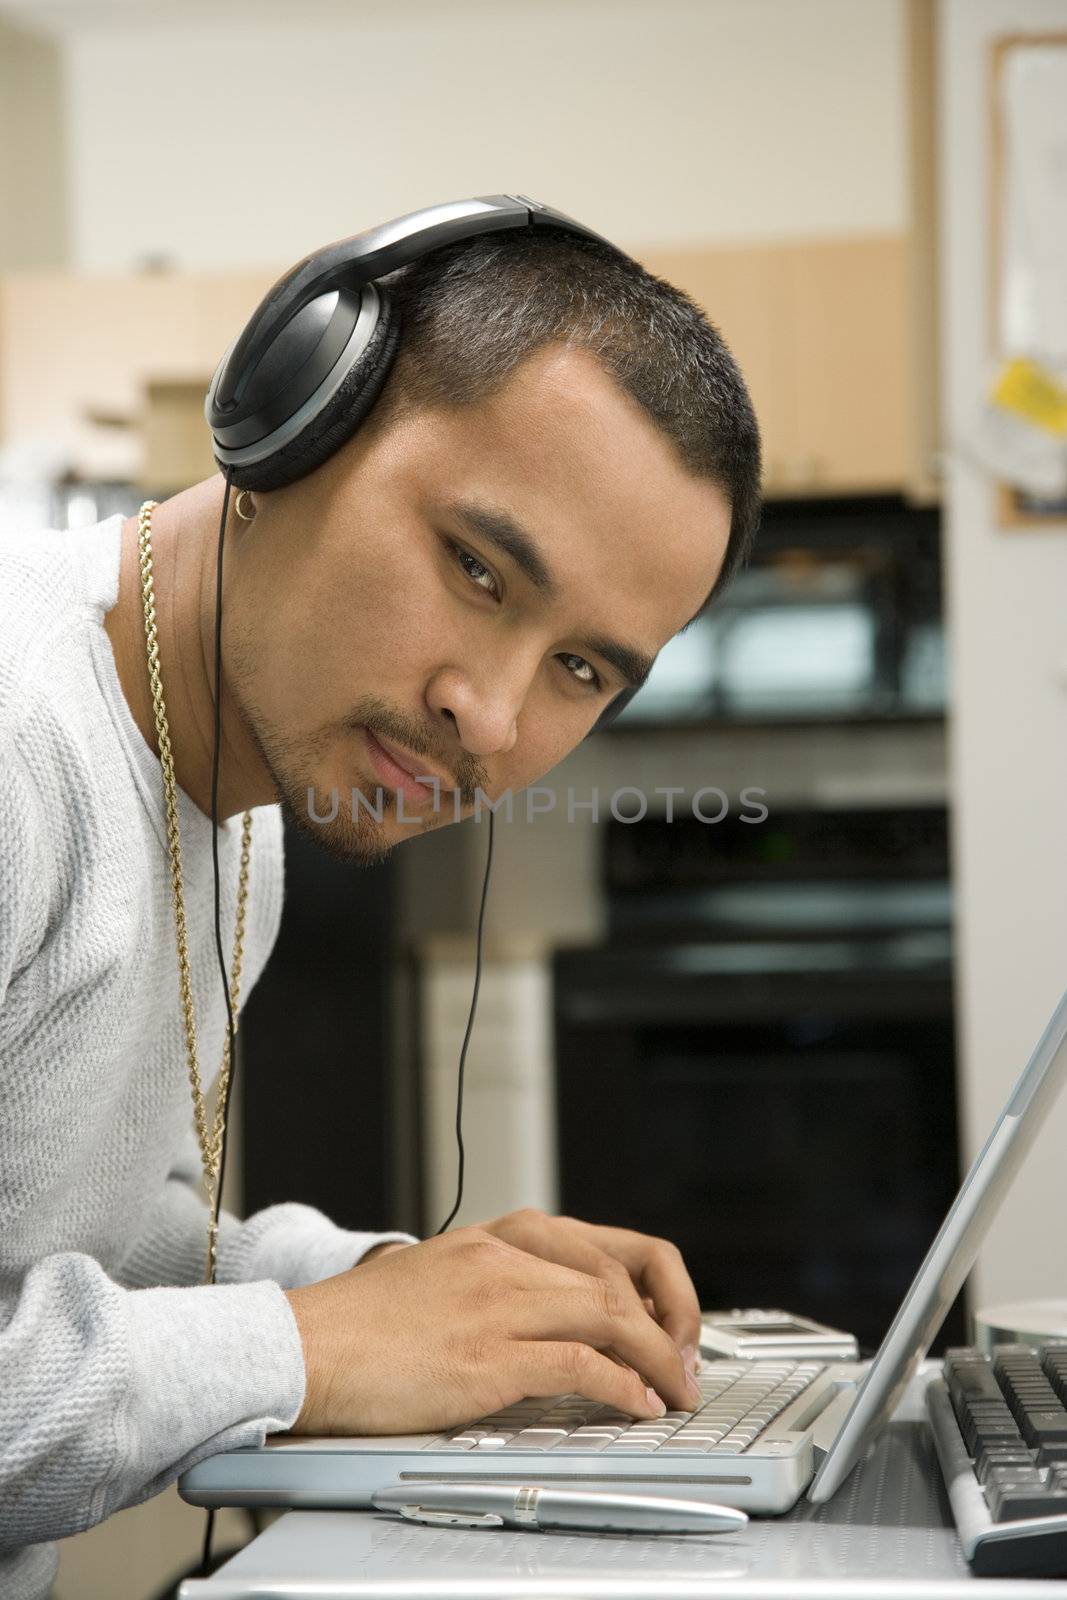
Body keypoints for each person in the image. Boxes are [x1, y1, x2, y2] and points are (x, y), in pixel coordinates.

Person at [0, 223, 760, 1598]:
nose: (495, 714)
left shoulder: (244, 834)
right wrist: (319, 1347)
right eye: (478, 569)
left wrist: (438, 1299)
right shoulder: (16, 738)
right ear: (293, 425)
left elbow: (79, 1248)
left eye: (583, 666)